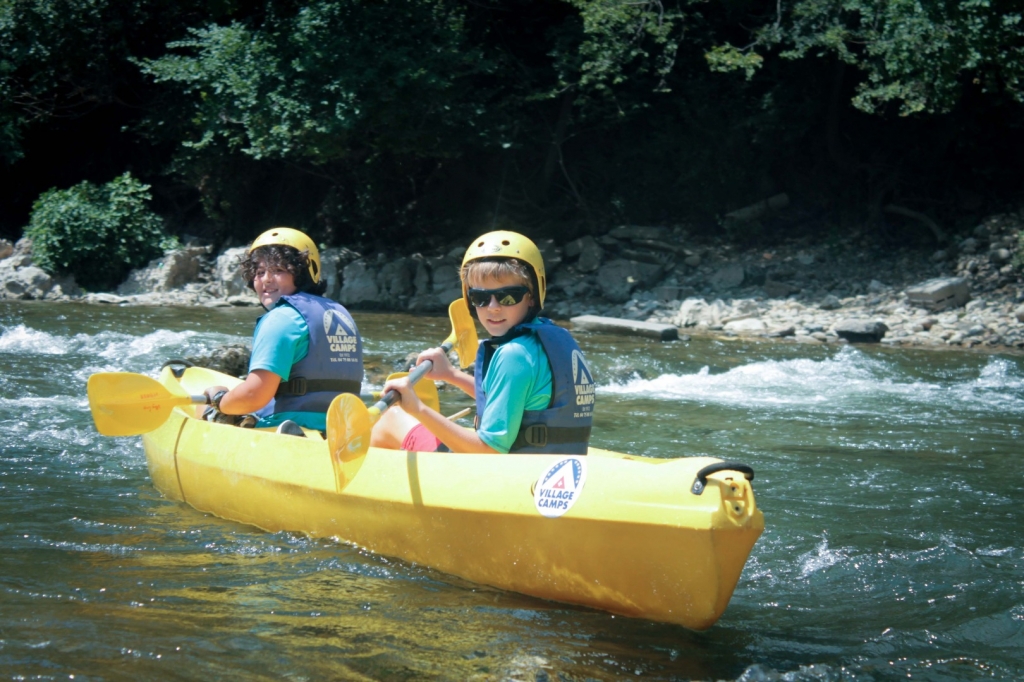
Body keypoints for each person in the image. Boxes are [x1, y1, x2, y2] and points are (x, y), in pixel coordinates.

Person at [370, 230, 594, 454]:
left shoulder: (513, 354)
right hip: (553, 467)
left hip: (508, 475)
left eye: (509, 296)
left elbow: (489, 451)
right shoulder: (550, 339)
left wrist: (417, 408)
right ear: (470, 301)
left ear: (532, 296)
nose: (493, 307)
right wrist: (451, 375)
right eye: (480, 298)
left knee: (392, 417)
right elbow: (513, 402)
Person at [201, 227, 363, 435]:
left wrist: (219, 400)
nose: (266, 279)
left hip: (292, 424)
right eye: (260, 272)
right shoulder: (339, 313)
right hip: (343, 426)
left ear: (302, 273)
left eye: (278, 270)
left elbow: (254, 395)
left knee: (206, 410)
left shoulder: (281, 318)